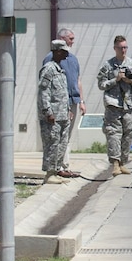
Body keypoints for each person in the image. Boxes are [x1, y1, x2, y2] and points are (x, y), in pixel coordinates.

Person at [96, 35, 132, 176]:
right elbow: (101, 84)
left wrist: (130, 81)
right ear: (114, 48)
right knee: (113, 134)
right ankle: (115, 163)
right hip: (113, 105)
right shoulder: (108, 65)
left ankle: (123, 161)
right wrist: (115, 80)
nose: (123, 50)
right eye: (120, 48)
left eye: (125, 47)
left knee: (129, 133)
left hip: (129, 105)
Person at [41, 28, 85, 171]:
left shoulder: (72, 59)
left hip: (69, 103)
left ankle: (62, 166)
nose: (72, 42)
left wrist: (80, 102)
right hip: (55, 108)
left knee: (65, 136)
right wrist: (48, 111)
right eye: (70, 39)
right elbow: (44, 90)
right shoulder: (49, 63)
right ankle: (55, 169)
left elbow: (77, 81)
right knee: (54, 140)